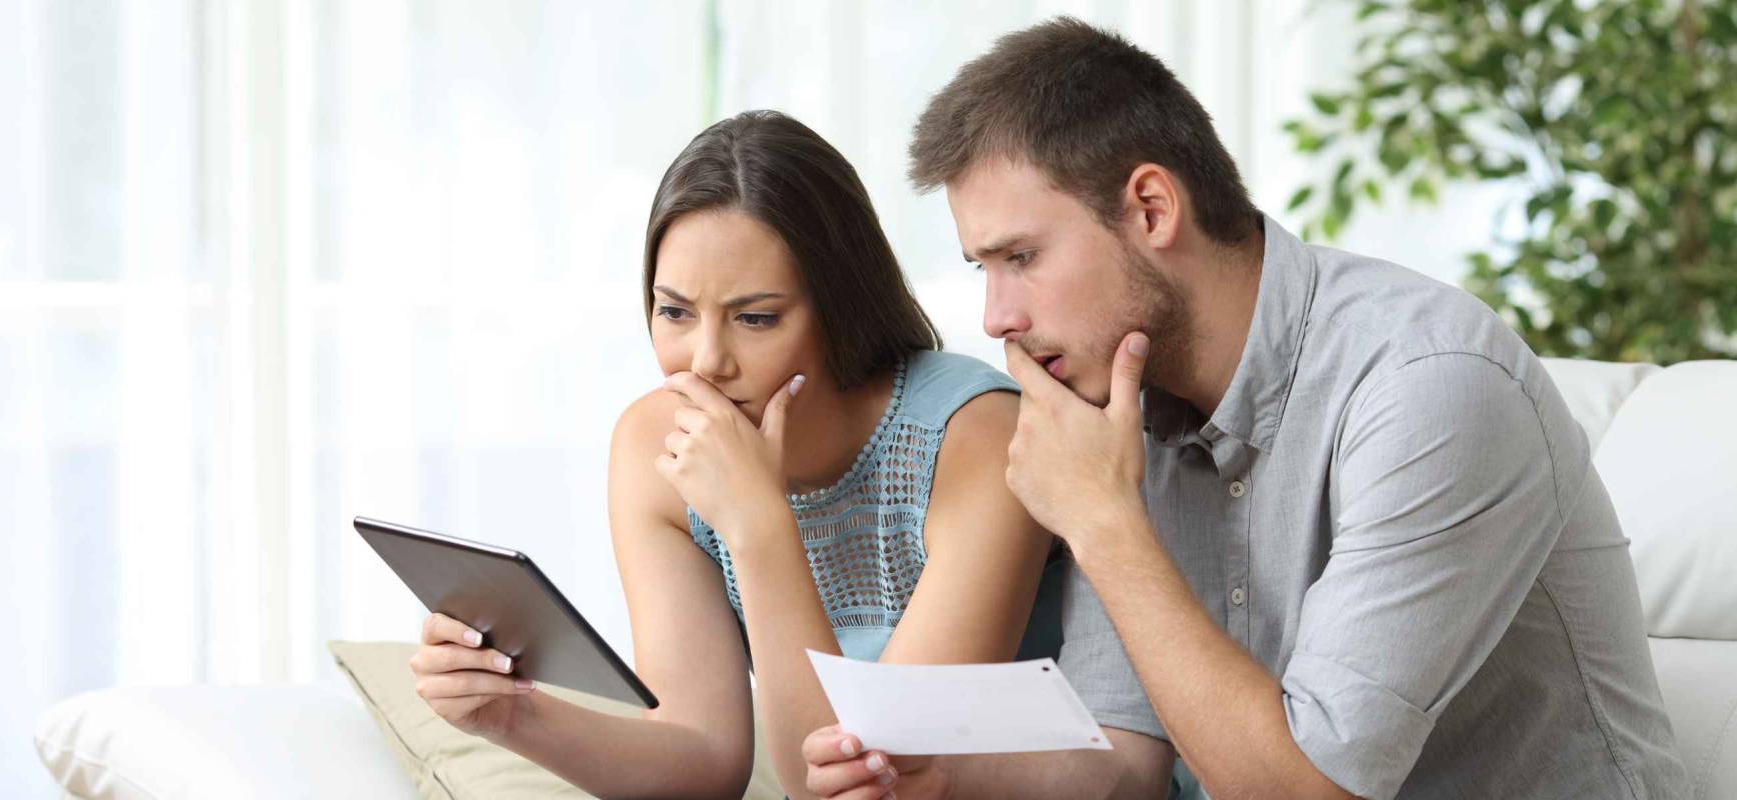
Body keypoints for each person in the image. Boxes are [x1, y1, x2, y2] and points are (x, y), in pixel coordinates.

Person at [804, 18, 1688, 800]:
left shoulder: (1430, 388)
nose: (997, 316)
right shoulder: (1123, 403)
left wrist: (1103, 521)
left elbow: (1307, 789)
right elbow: (1121, 760)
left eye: (1021, 258)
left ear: (1152, 207)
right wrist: (936, 776)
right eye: (982, 270)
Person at [408, 109, 1065, 799]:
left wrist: (757, 523)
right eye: (674, 312)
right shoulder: (654, 447)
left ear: (842, 308)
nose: (707, 362)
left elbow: (852, 783)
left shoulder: (978, 437)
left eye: (755, 319)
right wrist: (514, 714)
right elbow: (703, 757)